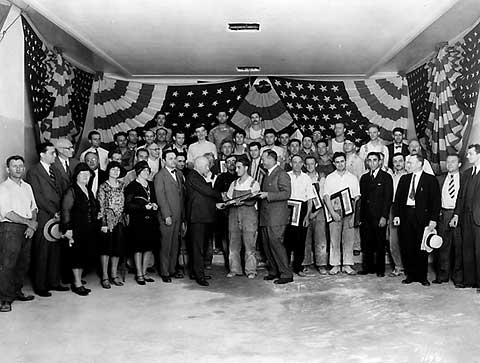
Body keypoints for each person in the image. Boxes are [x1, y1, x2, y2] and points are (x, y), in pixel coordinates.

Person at [26, 142, 68, 297]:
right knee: (42, 251)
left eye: (55, 153)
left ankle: (54, 282)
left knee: (56, 250)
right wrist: (53, 212)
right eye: (52, 153)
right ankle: (40, 285)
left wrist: (61, 211)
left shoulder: (56, 170)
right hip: (44, 215)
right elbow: (37, 196)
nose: (55, 156)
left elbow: (63, 191)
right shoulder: (33, 172)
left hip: (57, 215)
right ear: (42, 154)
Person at [393, 154, 440, 286]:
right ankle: (410, 275)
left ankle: (422, 276)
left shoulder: (430, 180)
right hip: (406, 215)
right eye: (408, 163)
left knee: (422, 247)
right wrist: (397, 215)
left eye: (410, 163)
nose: (408, 165)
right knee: (407, 246)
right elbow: (398, 199)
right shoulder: (404, 179)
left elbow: (436, 202)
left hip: (422, 217)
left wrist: (433, 219)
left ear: (420, 164)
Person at [0, 156, 38, 312]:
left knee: (23, 262)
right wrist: (29, 223)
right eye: (14, 166)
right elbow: (7, 213)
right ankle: (4, 299)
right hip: (10, 229)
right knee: (8, 264)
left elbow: (34, 208)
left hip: (27, 228)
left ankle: (17, 291)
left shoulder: (27, 187)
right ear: (8, 169)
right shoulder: (3, 188)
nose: (18, 168)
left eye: (21, 166)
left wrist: (32, 225)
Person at [61, 163, 100, 296]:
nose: (85, 176)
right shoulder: (71, 190)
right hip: (76, 228)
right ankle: (77, 283)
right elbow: (66, 210)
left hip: (88, 228)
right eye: (82, 174)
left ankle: (77, 280)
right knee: (76, 256)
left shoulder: (88, 190)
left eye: (87, 174)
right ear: (76, 176)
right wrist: (67, 229)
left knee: (84, 254)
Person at [185, 156, 222, 286]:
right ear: (199, 165)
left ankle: (196, 272)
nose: (208, 168)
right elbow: (208, 191)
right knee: (198, 247)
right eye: (206, 166)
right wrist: (219, 194)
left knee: (201, 246)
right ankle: (199, 275)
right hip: (197, 217)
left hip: (203, 216)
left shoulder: (197, 176)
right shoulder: (193, 176)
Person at [258, 150, 293, 284]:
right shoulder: (267, 174)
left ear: (272, 159)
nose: (262, 162)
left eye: (264, 159)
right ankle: (274, 271)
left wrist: (268, 195)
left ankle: (286, 274)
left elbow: (286, 194)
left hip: (276, 217)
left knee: (276, 245)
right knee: (267, 245)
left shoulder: (282, 174)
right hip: (266, 217)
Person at [323, 152, 360, 275]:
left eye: (342, 161)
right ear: (334, 163)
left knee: (348, 239)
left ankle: (347, 264)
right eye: (337, 162)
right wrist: (332, 212)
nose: (340, 164)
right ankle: (335, 264)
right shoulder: (330, 178)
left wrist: (353, 216)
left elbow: (356, 198)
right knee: (334, 239)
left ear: (345, 162)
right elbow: (326, 197)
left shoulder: (352, 178)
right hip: (334, 212)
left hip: (349, 213)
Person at [224, 155, 260, 278]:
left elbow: (254, 200)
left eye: (239, 167)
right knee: (233, 244)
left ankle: (251, 270)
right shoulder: (233, 184)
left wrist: (243, 202)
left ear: (246, 167)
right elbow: (228, 199)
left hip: (249, 217)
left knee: (250, 245)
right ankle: (234, 269)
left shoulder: (254, 183)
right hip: (233, 216)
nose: (236, 170)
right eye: (236, 167)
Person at [359, 152, 393, 277]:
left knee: (379, 243)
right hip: (366, 216)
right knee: (367, 243)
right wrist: (361, 217)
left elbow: (388, 198)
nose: (372, 163)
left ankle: (380, 269)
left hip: (379, 216)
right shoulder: (364, 178)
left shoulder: (386, 177)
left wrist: (384, 216)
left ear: (380, 162)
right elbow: (362, 199)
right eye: (369, 160)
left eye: (375, 160)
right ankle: (367, 267)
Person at [124, 161, 158, 285]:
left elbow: (154, 199)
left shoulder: (151, 184)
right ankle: (139, 274)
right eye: (143, 171)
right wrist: (143, 207)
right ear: (137, 172)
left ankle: (144, 272)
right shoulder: (132, 186)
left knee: (148, 247)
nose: (146, 173)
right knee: (138, 248)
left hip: (151, 220)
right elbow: (127, 205)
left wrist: (154, 205)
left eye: (148, 171)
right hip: (137, 221)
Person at [154, 149, 186, 283]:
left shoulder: (179, 174)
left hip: (178, 215)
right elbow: (160, 197)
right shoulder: (160, 176)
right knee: (166, 244)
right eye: (170, 158)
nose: (173, 161)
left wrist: (183, 218)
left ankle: (172, 269)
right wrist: (166, 215)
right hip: (167, 215)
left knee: (175, 243)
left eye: (174, 158)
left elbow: (182, 196)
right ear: (164, 161)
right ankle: (164, 271)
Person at [433, 154, 463, 286]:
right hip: (443, 214)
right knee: (443, 246)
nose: (449, 164)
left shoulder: (465, 178)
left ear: (459, 164)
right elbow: (434, 199)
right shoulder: (440, 179)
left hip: (458, 214)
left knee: (458, 246)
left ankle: (458, 277)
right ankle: (443, 275)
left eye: (453, 162)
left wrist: (458, 214)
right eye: (448, 162)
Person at [453, 144, 480, 290]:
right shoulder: (467, 173)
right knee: (467, 249)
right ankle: (469, 281)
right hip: (466, 217)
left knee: (479, 250)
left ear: (479, 155)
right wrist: (457, 214)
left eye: (470, 154)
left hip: (478, 218)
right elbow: (460, 197)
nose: (468, 156)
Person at [97, 161, 127, 289]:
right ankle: (104, 276)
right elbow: (101, 205)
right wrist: (103, 222)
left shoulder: (122, 185)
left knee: (117, 248)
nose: (116, 171)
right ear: (108, 171)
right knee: (106, 248)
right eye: (113, 169)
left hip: (119, 220)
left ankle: (114, 275)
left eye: (117, 169)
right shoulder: (103, 186)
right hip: (107, 221)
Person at [285, 155, 315, 276]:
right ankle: (285, 267)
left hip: (301, 210)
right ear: (291, 163)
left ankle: (298, 267)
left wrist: (307, 216)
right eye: (294, 162)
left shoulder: (306, 178)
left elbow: (310, 199)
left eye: (299, 162)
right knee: (286, 240)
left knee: (300, 241)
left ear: (302, 164)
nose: (297, 165)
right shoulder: (286, 176)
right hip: (288, 209)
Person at [303, 156, 328, 275]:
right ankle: (306, 263)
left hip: (320, 211)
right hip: (306, 211)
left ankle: (321, 264)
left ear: (316, 164)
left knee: (320, 239)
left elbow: (324, 195)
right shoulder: (303, 177)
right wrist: (308, 213)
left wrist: (316, 212)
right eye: (307, 164)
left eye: (312, 164)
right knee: (305, 239)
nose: (309, 166)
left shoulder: (321, 178)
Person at [213, 155, 238, 264]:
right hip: (224, 212)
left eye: (234, 161)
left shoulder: (241, 176)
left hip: (238, 211)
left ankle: (238, 263)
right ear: (225, 164)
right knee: (226, 237)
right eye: (229, 161)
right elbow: (217, 194)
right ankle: (230, 263)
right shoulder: (221, 177)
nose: (231, 163)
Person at [387, 153, 407, 276]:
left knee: (407, 238)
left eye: (400, 160)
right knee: (393, 240)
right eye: (395, 161)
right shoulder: (391, 177)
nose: (398, 163)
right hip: (393, 208)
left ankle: (409, 266)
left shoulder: (410, 176)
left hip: (407, 209)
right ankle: (398, 266)